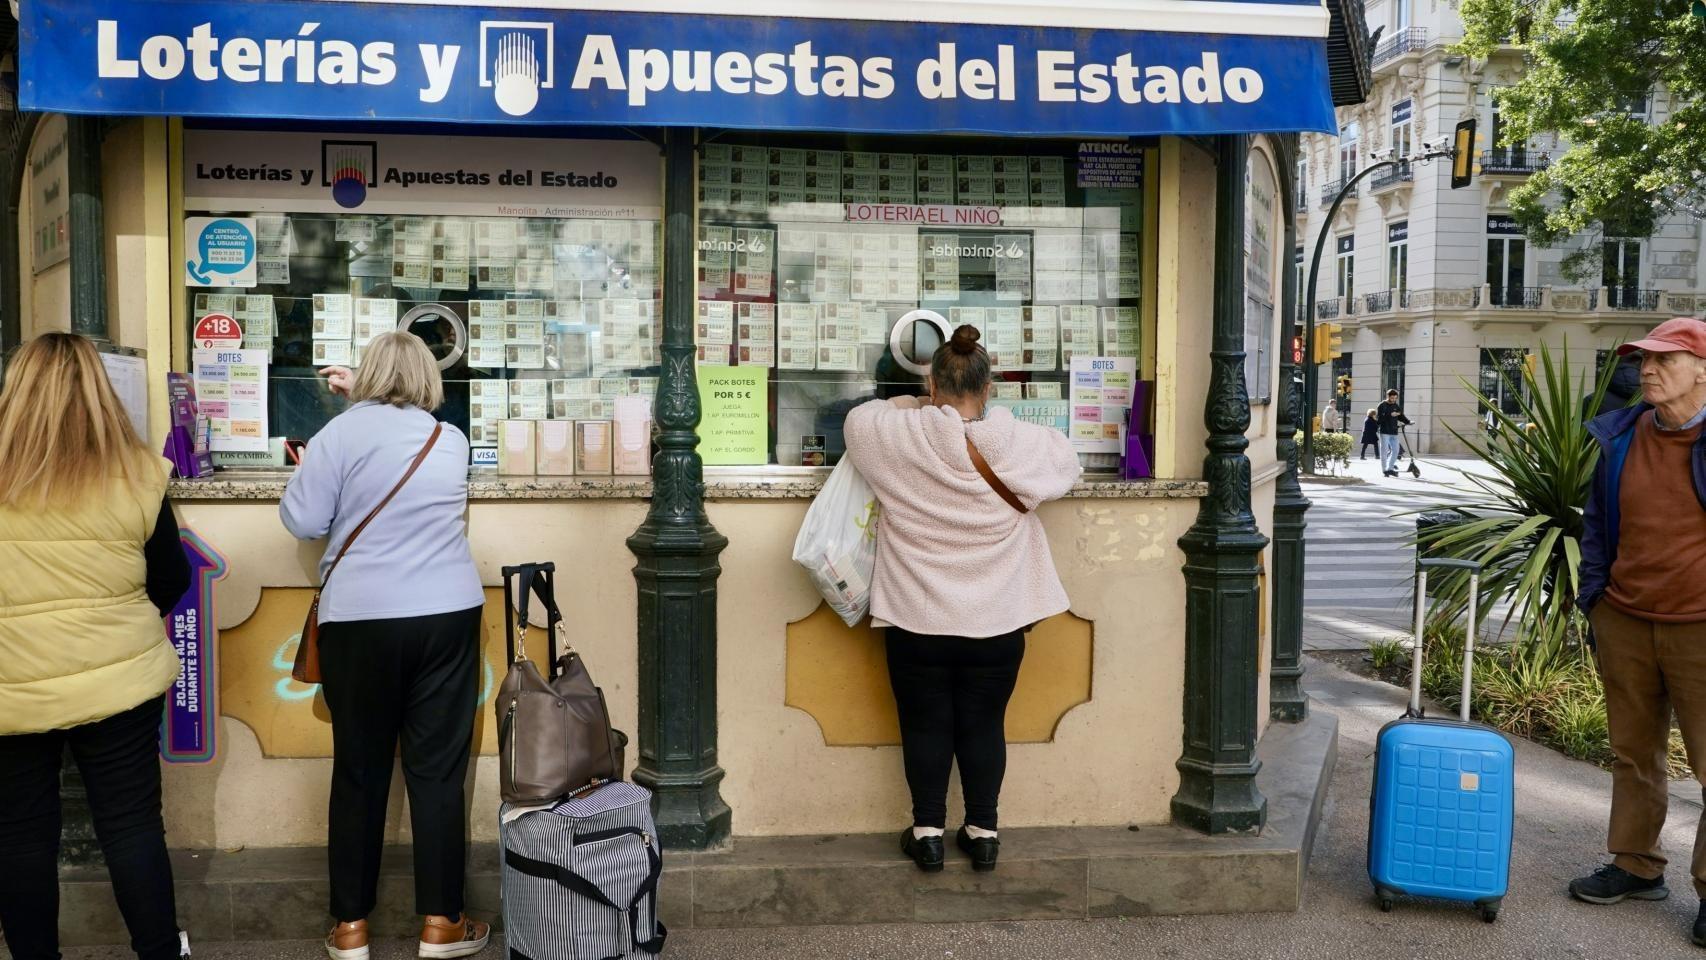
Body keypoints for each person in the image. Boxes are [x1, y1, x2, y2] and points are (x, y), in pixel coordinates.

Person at [280, 332, 490, 960]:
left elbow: (304, 521)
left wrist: (311, 468)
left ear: (364, 376)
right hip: (446, 617)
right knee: (436, 775)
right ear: (429, 379)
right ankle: (441, 925)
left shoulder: (336, 437)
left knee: (360, 773)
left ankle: (350, 927)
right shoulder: (449, 440)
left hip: (360, 621)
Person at [843, 325, 1081, 874]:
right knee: (983, 722)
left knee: (923, 723)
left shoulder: (896, 435)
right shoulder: (1018, 441)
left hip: (914, 616)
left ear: (932, 384)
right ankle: (983, 832)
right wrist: (981, 419)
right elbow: (1068, 463)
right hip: (998, 619)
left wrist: (924, 405)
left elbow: (860, 418)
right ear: (989, 385)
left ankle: (927, 833)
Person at [0, 333, 191, 960]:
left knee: (22, 838)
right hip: (120, 682)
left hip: (11, 686)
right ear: (102, 391)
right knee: (132, 827)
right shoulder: (138, 473)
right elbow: (171, 578)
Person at [1574, 317, 1706, 949]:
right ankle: (1635, 865)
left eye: (1664, 360)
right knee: (1633, 752)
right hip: (1625, 618)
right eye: (1642, 360)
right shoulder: (1622, 435)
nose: (1645, 370)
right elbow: (1596, 525)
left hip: (1700, 628)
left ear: (1703, 371)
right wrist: (1595, 599)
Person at [1376, 389, 1412, 477]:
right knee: (1384, 451)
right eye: (1392, 398)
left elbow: (1401, 416)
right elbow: (1379, 420)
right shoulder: (1382, 405)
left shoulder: (1396, 405)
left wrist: (1408, 422)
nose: (1393, 400)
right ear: (1388, 396)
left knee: (1396, 451)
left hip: (1394, 431)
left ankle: (1390, 468)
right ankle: (1385, 470)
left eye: (1395, 398)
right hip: (1384, 432)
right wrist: (1389, 415)